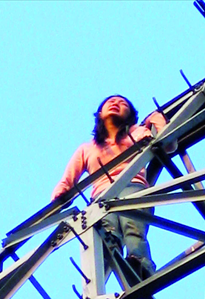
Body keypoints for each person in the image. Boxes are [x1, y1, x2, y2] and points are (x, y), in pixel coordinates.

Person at [51, 95, 167, 279]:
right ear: (100, 113)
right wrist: (60, 195)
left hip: (133, 186)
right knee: (107, 236)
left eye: (122, 103)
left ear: (130, 114)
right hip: (101, 197)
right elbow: (68, 179)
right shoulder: (87, 149)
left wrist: (157, 120)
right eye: (110, 102)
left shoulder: (137, 132)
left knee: (133, 227)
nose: (115, 104)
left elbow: (168, 145)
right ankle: (97, 284)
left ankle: (141, 265)